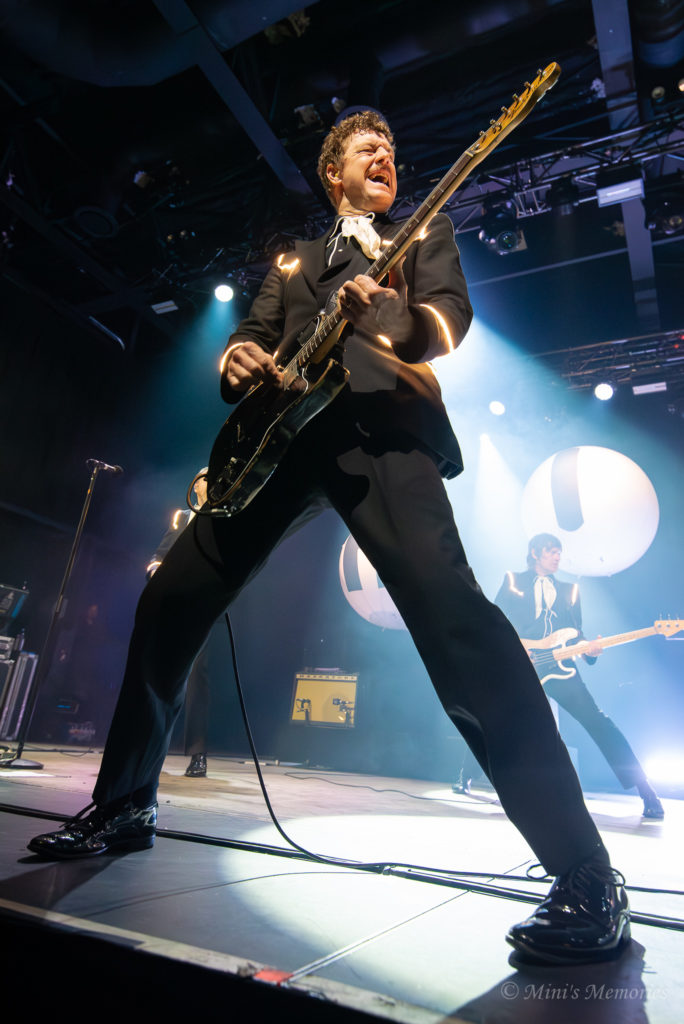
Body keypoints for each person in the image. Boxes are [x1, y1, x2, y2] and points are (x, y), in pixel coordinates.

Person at [28, 111, 630, 968]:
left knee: (456, 620)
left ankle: (585, 871)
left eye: (392, 148)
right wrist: (235, 359)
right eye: (365, 147)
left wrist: (392, 317)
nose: (386, 154)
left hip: (379, 428)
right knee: (167, 604)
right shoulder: (297, 263)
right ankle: (125, 804)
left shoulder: (424, 232)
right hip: (275, 451)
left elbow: (448, 320)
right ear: (332, 174)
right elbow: (253, 337)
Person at [494, 533, 664, 820]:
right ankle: (466, 775)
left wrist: (589, 650)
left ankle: (645, 789)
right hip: (522, 665)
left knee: (598, 721)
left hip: (560, 668)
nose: (557, 557)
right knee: (496, 718)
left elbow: (576, 633)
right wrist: (515, 647)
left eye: (559, 552)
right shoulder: (513, 581)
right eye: (551, 551)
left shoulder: (570, 590)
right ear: (535, 553)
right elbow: (495, 621)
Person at [146, 472, 212, 779]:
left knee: (198, 678)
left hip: (204, 606)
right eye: (205, 477)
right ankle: (149, 750)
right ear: (195, 485)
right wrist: (156, 574)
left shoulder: (223, 517)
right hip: (174, 605)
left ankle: (198, 753)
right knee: (160, 674)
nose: (212, 481)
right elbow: (159, 555)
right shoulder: (182, 517)